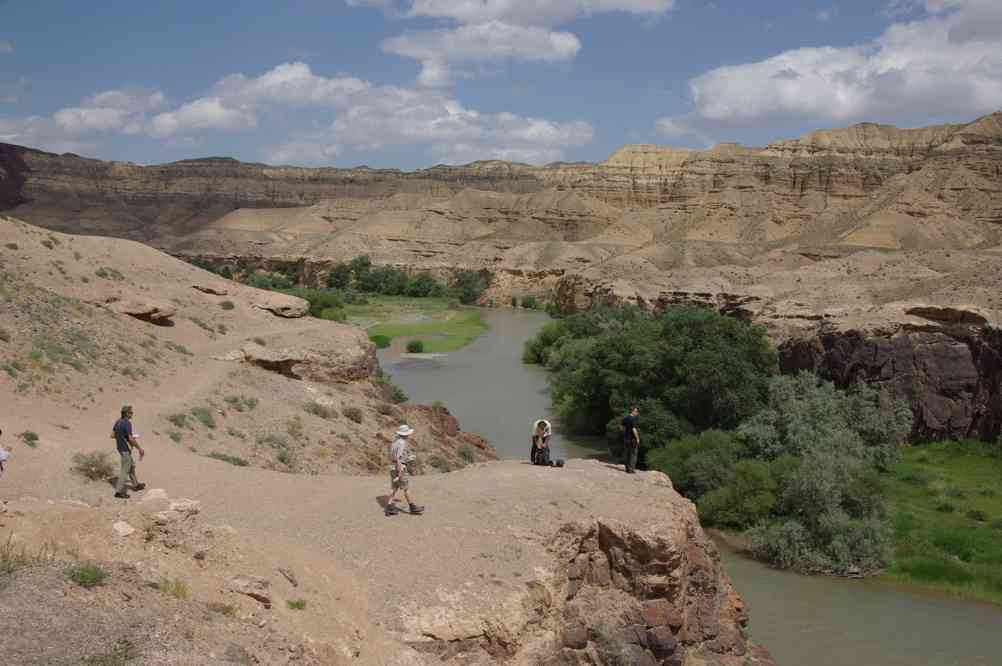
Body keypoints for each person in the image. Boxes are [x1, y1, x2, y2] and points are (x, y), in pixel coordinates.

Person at [385, 424, 424, 516]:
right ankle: (412, 507)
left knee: (394, 488)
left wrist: (407, 458)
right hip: (400, 467)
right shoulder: (402, 443)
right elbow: (399, 458)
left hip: (392, 466)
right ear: (406, 434)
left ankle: (389, 507)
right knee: (406, 488)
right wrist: (400, 472)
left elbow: (393, 456)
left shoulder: (395, 442)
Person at [113, 405, 145, 499]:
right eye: (131, 412)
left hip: (120, 447)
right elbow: (131, 439)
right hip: (125, 449)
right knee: (125, 470)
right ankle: (118, 492)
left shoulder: (118, 422)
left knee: (131, 466)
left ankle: (135, 485)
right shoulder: (127, 423)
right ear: (127, 413)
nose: (132, 414)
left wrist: (121, 437)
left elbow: (112, 435)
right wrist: (139, 448)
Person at [621, 405, 640, 474]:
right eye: (636, 411)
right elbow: (634, 429)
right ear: (633, 411)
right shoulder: (633, 419)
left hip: (626, 438)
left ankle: (627, 468)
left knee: (627, 454)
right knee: (633, 454)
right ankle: (631, 470)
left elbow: (622, 428)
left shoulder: (625, 418)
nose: (637, 413)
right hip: (632, 439)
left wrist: (625, 433)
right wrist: (637, 438)